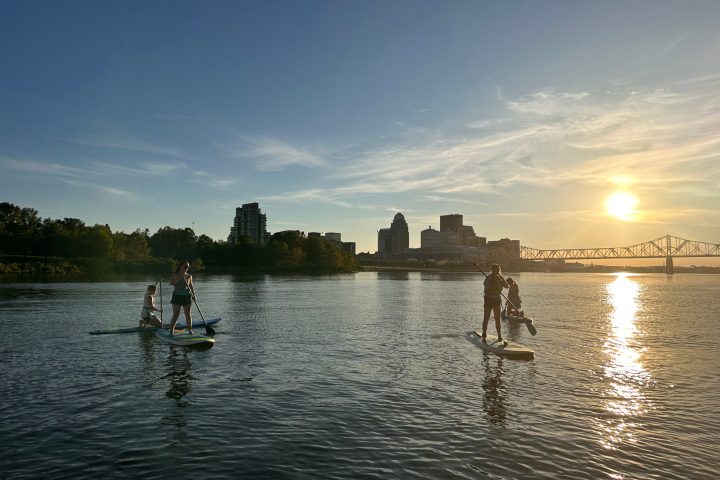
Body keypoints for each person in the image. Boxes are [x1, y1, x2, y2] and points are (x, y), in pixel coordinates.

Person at [481, 263, 509, 344]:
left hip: (497, 300)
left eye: (497, 271)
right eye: (494, 270)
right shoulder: (488, 278)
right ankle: (484, 334)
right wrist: (492, 285)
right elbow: (486, 289)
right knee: (486, 318)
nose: (495, 272)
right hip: (489, 299)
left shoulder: (500, 278)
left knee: (497, 319)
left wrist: (502, 281)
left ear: (498, 270)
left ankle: (499, 336)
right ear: (492, 270)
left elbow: (507, 286)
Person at [169, 261, 195, 335]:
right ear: (181, 266)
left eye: (188, 267)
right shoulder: (175, 274)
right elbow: (171, 283)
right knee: (176, 314)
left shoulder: (189, 276)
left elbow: (191, 286)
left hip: (186, 296)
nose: (186, 268)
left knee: (188, 313)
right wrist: (180, 277)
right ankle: (171, 331)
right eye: (185, 266)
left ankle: (190, 330)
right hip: (177, 296)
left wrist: (194, 295)